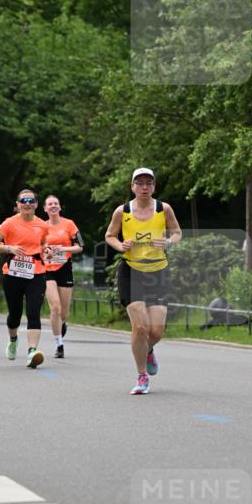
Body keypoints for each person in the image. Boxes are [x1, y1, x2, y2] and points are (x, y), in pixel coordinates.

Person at [104, 168, 182, 394]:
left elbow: (177, 232)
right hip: (131, 271)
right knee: (139, 328)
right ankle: (141, 377)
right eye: (140, 183)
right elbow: (110, 235)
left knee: (155, 332)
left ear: (154, 187)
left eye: (149, 183)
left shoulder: (163, 209)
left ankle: (148, 351)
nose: (144, 187)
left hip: (158, 272)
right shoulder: (123, 211)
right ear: (132, 187)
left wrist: (168, 242)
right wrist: (121, 245)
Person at [0, 189, 49, 368]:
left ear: (36, 204)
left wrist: (47, 249)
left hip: (36, 273)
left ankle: (32, 352)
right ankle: (13, 340)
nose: (27, 204)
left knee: (33, 312)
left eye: (31, 200)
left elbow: (43, 243)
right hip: (12, 274)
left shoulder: (42, 225)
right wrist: (9, 249)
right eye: (23, 201)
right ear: (18, 205)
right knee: (14, 314)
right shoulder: (9, 224)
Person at [42, 195, 83, 358]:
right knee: (55, 307)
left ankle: (62, 323)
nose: (53, 206)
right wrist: (45, 250)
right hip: (47, 269)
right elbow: (36, 246)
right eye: (49, 204)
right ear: (45, 208)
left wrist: (62, 250)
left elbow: (80, 246)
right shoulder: (40, 226)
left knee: (64, 313)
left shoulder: (69, 224)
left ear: (59, 207)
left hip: (64, 268)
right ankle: (59, 345)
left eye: (56, 203)